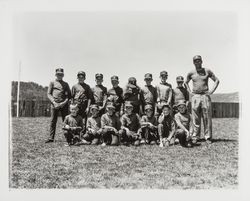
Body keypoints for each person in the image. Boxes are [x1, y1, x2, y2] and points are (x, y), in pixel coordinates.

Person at [185, 55, 220, 144]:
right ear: (193, 62)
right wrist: (190, 92)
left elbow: (216, 80)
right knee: (195, 117)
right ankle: (195, 137)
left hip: (205, 96)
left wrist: (211, 91)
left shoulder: (207, 71)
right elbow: (186, 83)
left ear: (201, 61)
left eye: (199, 60)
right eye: (195, 61)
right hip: (195, 96)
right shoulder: (191, 73)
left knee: (207, 117)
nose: (197, 62)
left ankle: (207, 137)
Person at [46, 68, 71, 143]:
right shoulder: (52, 82)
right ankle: (51, 138)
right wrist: (54, 102)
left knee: (66, 121)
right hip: (54, 105)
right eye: (58, 74)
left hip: (64, 105)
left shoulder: (66, 84)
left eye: (61, 74)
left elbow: (68, 96)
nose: (59, 75)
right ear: (56, 74)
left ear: (63, 75)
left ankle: (68, 137)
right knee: (53, 121)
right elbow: (48, 94)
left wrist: (63, 103)